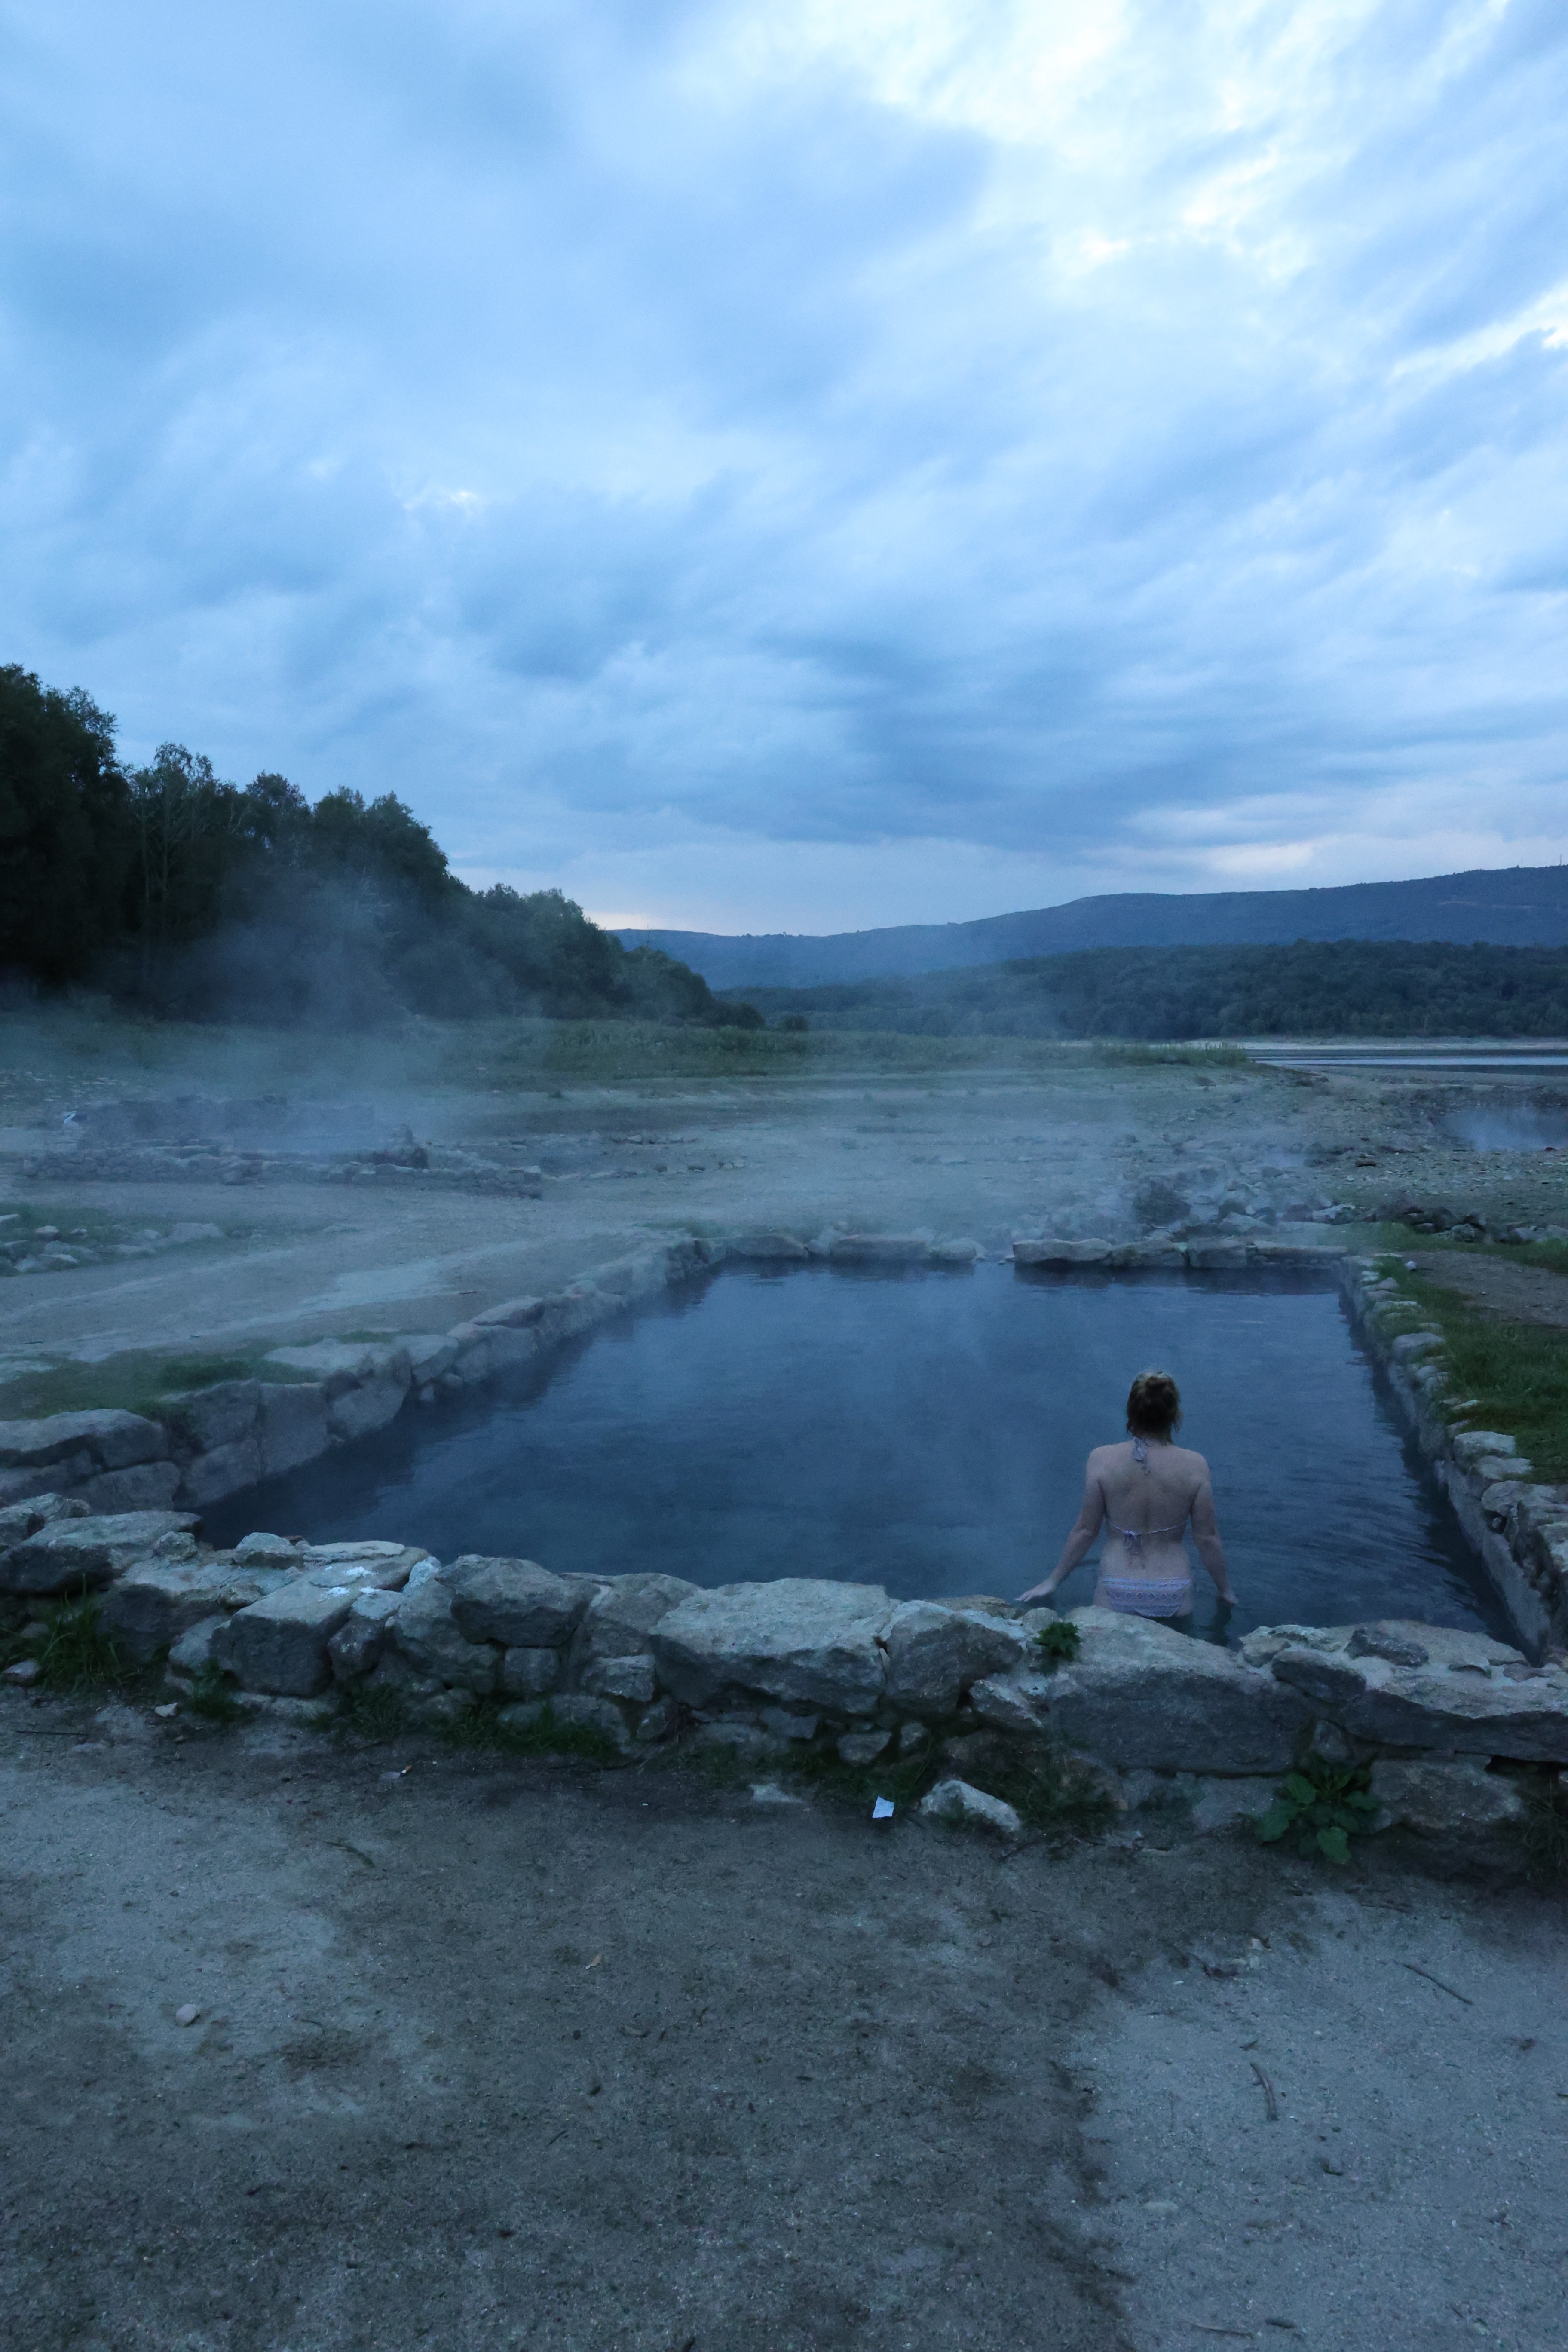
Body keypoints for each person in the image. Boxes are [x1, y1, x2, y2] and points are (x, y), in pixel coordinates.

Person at [1016, 1369, 1235, 1619]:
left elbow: (1086, 1531)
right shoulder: (1195, 1465)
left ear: (1131, 1411)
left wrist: (1053, 1581)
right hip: (1172, 1590)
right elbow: (1207, 1538)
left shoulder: (1101, 1459)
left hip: (1116, 1588)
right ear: (1175, 1414)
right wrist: (1225, 1590)